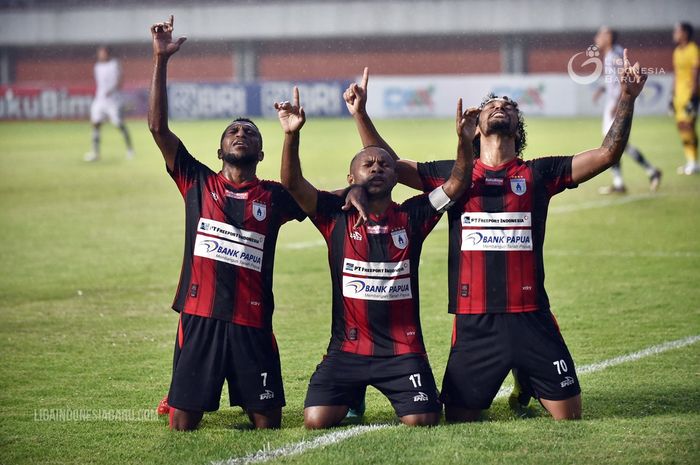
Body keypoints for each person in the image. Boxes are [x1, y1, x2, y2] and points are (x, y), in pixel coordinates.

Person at [344, 50, 648, 422]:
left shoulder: (539, 173)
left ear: (518, 126)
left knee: (569, 416)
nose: (499, 105)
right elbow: (389, 164)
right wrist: (360, 113)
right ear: (476, 123)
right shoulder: (453, 175)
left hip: (531, 314)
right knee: (458, 418)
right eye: (491, 103)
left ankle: (528, 383)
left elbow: (606, 154)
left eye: (508, 105)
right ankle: (521, 378)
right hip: (475, 318)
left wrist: (628, 99)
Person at [276, 86, 475, 428]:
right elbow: (293, 184)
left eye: (385, 164)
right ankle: (351, 392)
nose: (378, 168)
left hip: (403, 351)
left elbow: (457, 183)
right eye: (368, 164)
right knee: (315, 420)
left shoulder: (415, 214)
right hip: (347, 351)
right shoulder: (334, 214)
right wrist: (292, 137)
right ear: (351, 178)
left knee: (423, 420)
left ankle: (369, 391)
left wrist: (464, 142)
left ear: (396, 177)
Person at [148, 15, 307, 431]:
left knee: (268, 423)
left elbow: (309, 195)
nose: (241, 134)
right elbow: (157, 128)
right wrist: (160, 60)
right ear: (219, 150)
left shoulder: (273, 196)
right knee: (182, 424)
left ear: (260, 153)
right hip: (198, 315)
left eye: (250, 133)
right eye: (233, 131)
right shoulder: (197, 181)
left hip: (251, 320)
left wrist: (292, 135)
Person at [592, 27, 661, 193]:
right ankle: (648, 172)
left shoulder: (613, 55)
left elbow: (623, 71)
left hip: (616, 103)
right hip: (615, 100)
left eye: (600, 35)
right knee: (617, 144)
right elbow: (615, 77)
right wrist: (603, 89)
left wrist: (617, 102)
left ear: (608, 37)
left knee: (612, 143)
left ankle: (624, 181)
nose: (596, 38)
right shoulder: (613, 52)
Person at [84, 45, 135, 162]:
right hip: (100, 100)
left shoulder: (115, 64)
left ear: (108, 53)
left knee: (119, 125)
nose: (101, 55)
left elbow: (120, 80)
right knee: (95, 124)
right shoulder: (97, 66)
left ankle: (130, 150)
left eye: (103, 53)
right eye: (99, 53)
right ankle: (95, 153)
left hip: (113, 101)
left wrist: (112, 90)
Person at [671, 22, 699, 175]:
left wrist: (693, 97)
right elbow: (676, 75)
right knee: (682, 127)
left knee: (689, 127)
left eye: (677, 31)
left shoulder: (693, 49)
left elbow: (696, 74)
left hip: (689, 94)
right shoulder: (676, 51)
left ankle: (694, 162)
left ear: (685, 33)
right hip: (679, 96)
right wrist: (671, 95)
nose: (675, 33)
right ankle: (691, 161)